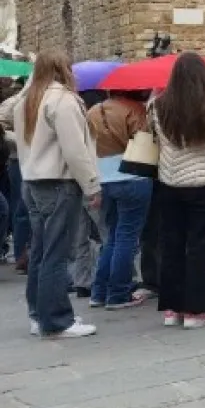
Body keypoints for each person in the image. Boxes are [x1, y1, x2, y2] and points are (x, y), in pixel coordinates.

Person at [15, 52, 100, 338]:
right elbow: (74, 149)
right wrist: (91, 185)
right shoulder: (62, 100)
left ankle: (39, 314)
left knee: (41, 251)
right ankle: (56, 320)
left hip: (32, 180)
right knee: (56, 253)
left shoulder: (27, 100)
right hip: (58, 181)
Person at [149, 52, 205, 329]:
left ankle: (172, 309)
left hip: (169, 180)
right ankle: (196, 311)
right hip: (204, 182)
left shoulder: (158, 106)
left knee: (171, 244)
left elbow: (156, 142)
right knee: (199, 246)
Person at [86, 88, 151, 310]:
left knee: (113, 236)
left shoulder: (93, 111)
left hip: (103, 179)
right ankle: (118, 293)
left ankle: (99, 292)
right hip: (132, 176)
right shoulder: (135, 110)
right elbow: (144, 143)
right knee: (127, 237)